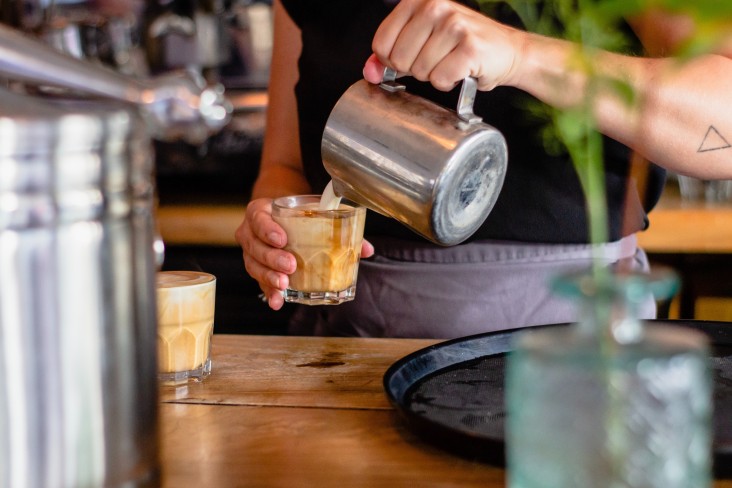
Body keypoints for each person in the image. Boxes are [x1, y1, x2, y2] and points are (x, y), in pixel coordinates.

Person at [235, 0, 731, 338]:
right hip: (341, 345)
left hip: (564, 340)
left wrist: (521, 55)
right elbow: (284, 170)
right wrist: (272, 229)